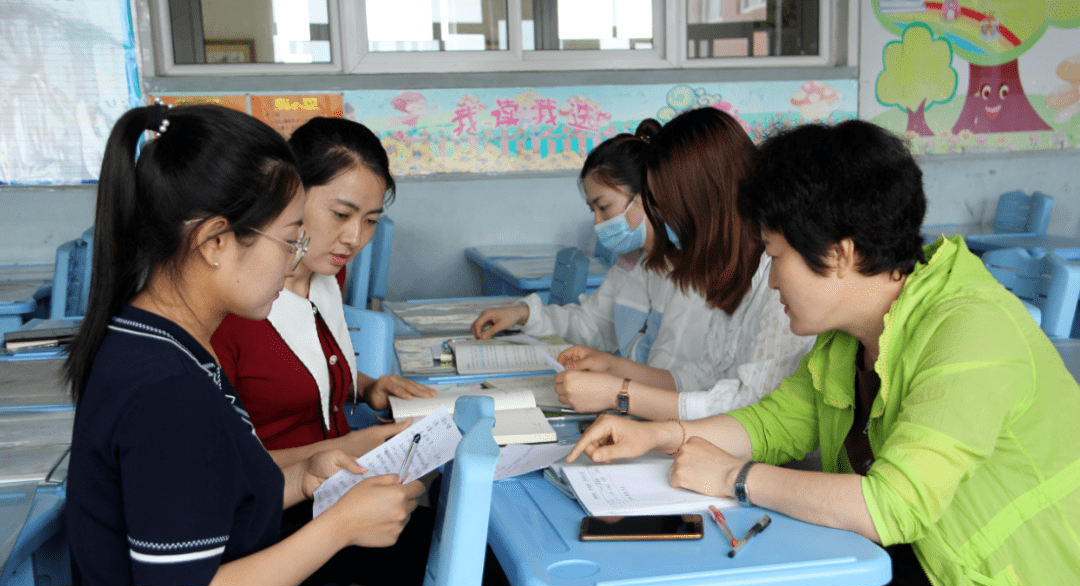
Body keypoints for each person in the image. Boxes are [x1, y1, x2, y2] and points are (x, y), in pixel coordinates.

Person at [568, 120, 1079, 586]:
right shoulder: (853, 335)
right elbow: (775, 422)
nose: (771, 275)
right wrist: (662, 434)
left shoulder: (971, 330)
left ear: (839, 256)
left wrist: (736, 477)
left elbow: (893, 506)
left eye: (776, 255)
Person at [63, 103, 423, 586]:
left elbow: (202, 501)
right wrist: (338, 527)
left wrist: (307, 479)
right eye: (289, 240)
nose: (293, 261)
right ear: (214, 241)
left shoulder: (161, 340)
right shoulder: (167, 391)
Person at [550, 108, 813, 420]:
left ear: (707, 201)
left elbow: (752, 408)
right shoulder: (732, 268)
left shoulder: (779, 279)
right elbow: (703, 377)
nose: (660, 219)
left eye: (665, 205)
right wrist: (615, 370)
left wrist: (621, 394)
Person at [212, 117, 435, 471]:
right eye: (341, 214)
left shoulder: (329, 274)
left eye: (370, 220)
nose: (355, 237)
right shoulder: (234, 306)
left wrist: (367, 388)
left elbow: (308, 373)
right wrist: (349, 446)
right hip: (276, 503)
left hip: (337, 482)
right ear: (291, 195)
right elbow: (221, 466)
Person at [470, 119, 719, 395]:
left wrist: (612, 387)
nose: (598, 223)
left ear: (647, 195)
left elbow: (673, 383)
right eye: (593, 211)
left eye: (604, 207)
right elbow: (591, 324)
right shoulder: (632, 262)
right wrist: (523, 314)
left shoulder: (690, 276)